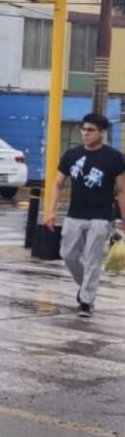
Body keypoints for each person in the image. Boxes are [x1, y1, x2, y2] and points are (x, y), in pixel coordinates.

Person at [44, 112, 125, 317]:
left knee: (93, 259)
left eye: (90, 130)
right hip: (74, 215)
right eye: (83, 129)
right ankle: (86, 287)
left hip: (100, 217)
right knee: (68, 255)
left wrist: (124, 218)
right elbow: (58, 183)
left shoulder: (114, 158)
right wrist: (51, 210)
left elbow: (122, 190)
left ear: (102, 133)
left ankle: (87, 302)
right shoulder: (71, 155)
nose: (85, 134)